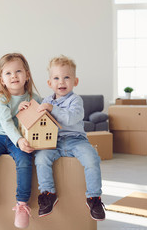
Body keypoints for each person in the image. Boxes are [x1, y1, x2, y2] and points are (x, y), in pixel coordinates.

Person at [32, 55, 105, 221]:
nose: (61, 82)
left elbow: (72, 118)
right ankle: (48, 193)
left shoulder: (75, 100)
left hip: (75, 139)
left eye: (66, 77)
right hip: (53, 142)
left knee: (91, 159)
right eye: (56, 78)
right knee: (41, 158)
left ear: (75, 81)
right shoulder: (46, 100)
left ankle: (94, 198)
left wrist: (52, 109)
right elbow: (38, 118)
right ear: (50, 83)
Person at [0, 53, 42, 228]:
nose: (14, 76)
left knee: (25, 161)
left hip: (20, 139)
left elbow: (40, 119)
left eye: (18, 71)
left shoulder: (34, 98)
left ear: (27, 75)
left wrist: (35, 110)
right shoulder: (2, 98)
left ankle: (21, 204)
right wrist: (18, 138)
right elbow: (6, 122)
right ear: (2, 79)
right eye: (8, 73)